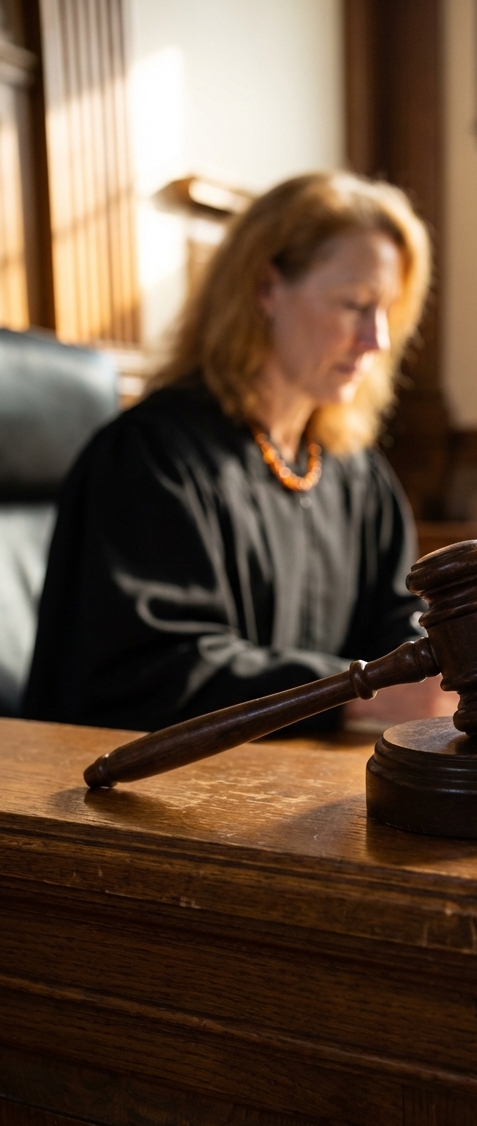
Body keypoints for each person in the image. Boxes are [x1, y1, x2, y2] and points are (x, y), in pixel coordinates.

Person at [24, 171, 449, 733]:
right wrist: (359, 695)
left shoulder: (353, 468)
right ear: (265, 289)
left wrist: (442, 663)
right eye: (354, 304)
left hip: (297, 786)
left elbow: (395, 618)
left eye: (386, 311)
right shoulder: (151, 458)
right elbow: (146, 674)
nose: (377, 341)